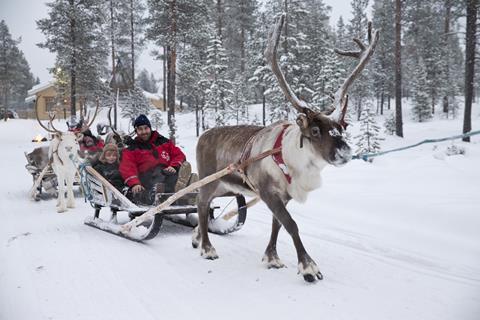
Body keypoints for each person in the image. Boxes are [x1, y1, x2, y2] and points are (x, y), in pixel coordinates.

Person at [119, 114, 186, 205]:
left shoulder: (163, 141)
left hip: (167, 172)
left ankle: (182, 191)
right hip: (146, 178)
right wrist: (135, 183)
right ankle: (171, 193)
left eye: (146, 128)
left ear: (150, 128)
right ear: (136, 131)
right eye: (140, 129)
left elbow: (178, 155)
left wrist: (174, 166)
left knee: (171, 174)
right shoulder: (132, 148)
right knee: (160, 174)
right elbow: (127, 167)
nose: (144, 132)